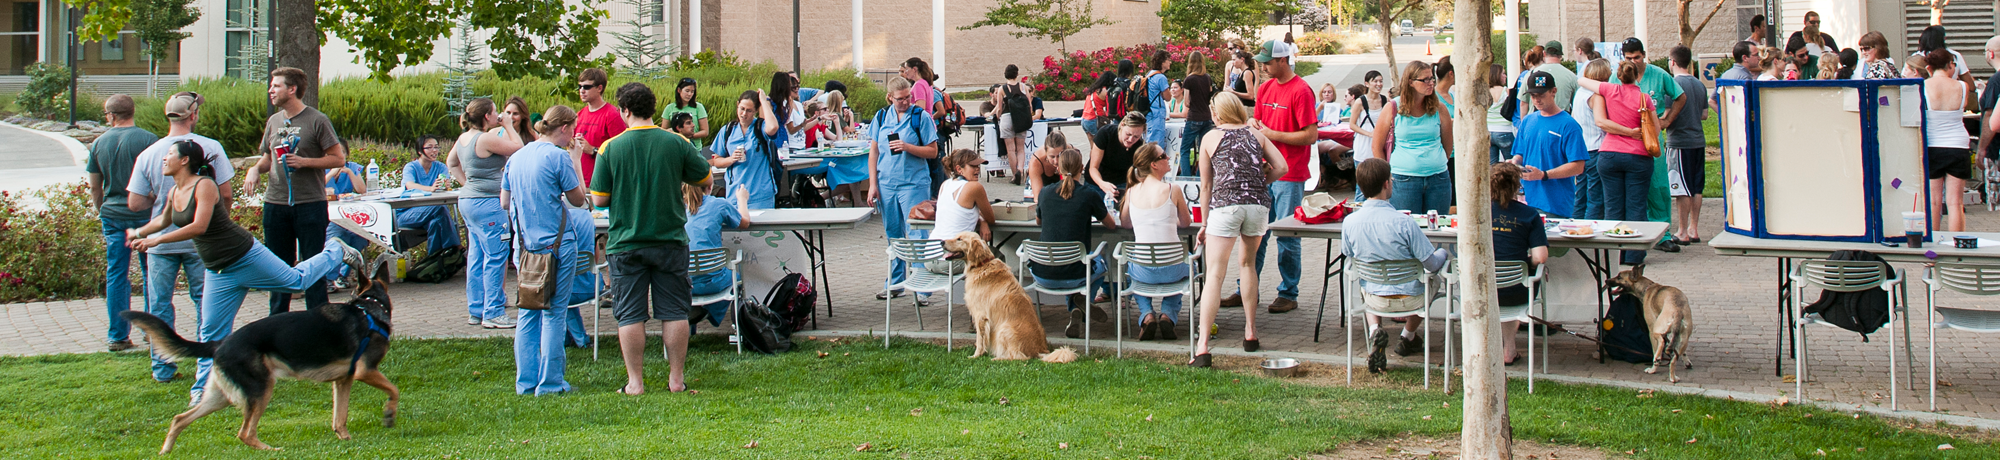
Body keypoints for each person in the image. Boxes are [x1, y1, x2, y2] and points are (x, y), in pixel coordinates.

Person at [127, 140, 363, 406]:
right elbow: (164, 220)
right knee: (211, 332)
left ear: (184, 161)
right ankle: (201, 391)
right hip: (219, 269)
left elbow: (199, 226)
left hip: (244, 255)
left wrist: (157, 241)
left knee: (295, 280)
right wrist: (140, 233)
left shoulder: (204, 185)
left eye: (170, 154)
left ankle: (334, 249)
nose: (164, 158)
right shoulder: (174, 191)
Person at [590, 83, 713, 395]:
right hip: (670, 239)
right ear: (654, 109)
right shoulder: (676, 143)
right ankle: (676, 380)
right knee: (674, 311)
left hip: (626, 242)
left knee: (630, 313)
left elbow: (599, 199)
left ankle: (636, 383)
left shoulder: (610, 148)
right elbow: (705, 178)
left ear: (625, 110)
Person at [126, 92, 233, 383]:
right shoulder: (210, 148)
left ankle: (162, 369)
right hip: (203, 243)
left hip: (161, 243)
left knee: (159, 304)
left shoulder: (151, 154)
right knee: (206, 303)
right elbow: (224, 194)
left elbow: (135, 204)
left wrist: (158, 197)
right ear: (194, 116)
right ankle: (210, 366)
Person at [1191, 92, 1288, 366]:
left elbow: (1207, 186)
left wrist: (1204, 222)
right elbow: (1282, 165)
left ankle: (1202, 347)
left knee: (1215, 275)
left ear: (1218, 113)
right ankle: (1250, 332)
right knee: (1248, 265)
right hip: (1257, 206)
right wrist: (1261, 181)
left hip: (1225, 205)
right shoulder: (1256, 134)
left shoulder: (1210, 137)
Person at [1224, 39, 1318, 315]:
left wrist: (1272, 135)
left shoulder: (1301, 91)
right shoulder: (1264, 88)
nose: (1262, 66)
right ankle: (1246, 289)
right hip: (1264, 173)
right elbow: (1259, 123)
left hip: (1290, 174)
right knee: (1255, 234)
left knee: (1288, 235)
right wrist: (1252, 123)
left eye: (1267, 62)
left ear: (1283, 60)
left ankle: (1289, 292)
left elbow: (1311, 135)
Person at [242, 67, 345, 316]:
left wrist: (305, 162)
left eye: (275, 85)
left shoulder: (317, 120)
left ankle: (319, 324)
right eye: (271, 86)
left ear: (292, 89)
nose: (271, 90)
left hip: (310, 204)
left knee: (314, 266)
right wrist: (255, 169)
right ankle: (278, 324)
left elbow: (337, 158)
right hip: (276, 205)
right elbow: (267, 159)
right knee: (277, 268)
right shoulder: (274, 121)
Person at [502, 105, 589, 396]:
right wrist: (576, 160)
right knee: (554, 313)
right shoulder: (558, 156)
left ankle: (525, 382)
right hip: (557, 246)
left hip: (524, 248)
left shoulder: (516, 157)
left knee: (527, 314)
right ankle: (550, 382)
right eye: (572, 130)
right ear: (563, 128)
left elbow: (505, 202)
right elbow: (578, 200)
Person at [1343, 158, 1452, 374]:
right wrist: (1443, 252)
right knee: (1434, 280)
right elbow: (1430, 263)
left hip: (1375, 297)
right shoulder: (1405, 223)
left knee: (1364, 280)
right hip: (1411, 299)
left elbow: (1348, 255)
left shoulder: (1350, 222)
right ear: (1386, 184)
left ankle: (1375, 329)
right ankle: (1407, 335)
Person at [85, 94, 158, 353]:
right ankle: (152, 331)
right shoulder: (149, 140)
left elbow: (95, 186)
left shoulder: (98, 143)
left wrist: (101, 209)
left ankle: (117, 335)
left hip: (113, 214)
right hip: (144, 216)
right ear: (133, 111)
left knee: (117, 273)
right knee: (152, 272)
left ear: (110, 115)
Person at [448, 98, 526, 329]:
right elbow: (519, 150)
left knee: (476, 256)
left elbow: (451, 162)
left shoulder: (464, 138)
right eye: (495, 112)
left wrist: (467, 183)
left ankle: (476, 309)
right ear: (486, 117)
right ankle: (493, 311)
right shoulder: (486, 138)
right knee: (495, 256)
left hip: (469, 200)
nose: (498, 115)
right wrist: (509, 126)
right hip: (489, 204)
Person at [1577, 59, 1660, 265]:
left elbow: (1581, 81)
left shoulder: (1609, 90)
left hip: (1609, 154)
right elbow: (1655, 129)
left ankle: (1614, 254)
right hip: (1639, 156)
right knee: (1636, 207)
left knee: (1613, 207)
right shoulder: (1644, 99)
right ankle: (1634, 255)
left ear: (1618, 75)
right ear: (1636, 76)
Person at [869, 77, 941, 301]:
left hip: (913, 182)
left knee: (917, 233)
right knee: (894, 233)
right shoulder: (881, 117)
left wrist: (908, 147)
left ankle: (922, 286)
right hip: (887, 182)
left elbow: (933, 151)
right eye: (900, 99)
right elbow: (874, 152)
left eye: (908, 97)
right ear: (890, 97)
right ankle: (895, 282)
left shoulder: (921, 117)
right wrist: (873, 185)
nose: (906, 102)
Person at [1031, 147, 1115, 338]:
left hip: (1042, 273)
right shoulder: (1088, 195)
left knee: (1078, 263)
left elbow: (1039, 221)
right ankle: (1080, 301)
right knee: (1100, 262)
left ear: (1058, 169)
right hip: (1075, 274)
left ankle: (1077, 307)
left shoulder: (1045, 193)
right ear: (1082, 169)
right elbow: (1110, 225)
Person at [1614, 38, 1686, 255]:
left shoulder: (1658, 74)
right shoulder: (1617, 76)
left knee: (1659, 187)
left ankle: (1662, 234)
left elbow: (1680, 96)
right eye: (1629, 58)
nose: (1633, 61)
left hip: (1651, 140)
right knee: (1631, 190)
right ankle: (1632, 232)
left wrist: (1666, 121)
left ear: (1643, 54)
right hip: (1626, 139)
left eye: (1637, 57)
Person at [1120, 143, 1194, 343]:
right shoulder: (1172, 190)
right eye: (1163, 156)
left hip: (1144, 269)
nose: (1168, 158)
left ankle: (1147, 315)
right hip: (1172, 268)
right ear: (1153, 164)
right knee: (1188, 265)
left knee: (1132, 271)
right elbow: (1186, 223)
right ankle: (1168, 315)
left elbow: (1125, 223)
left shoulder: (1132, 191)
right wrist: (1170, 220)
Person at [1372, 60, 1455, 215]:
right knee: (1407, 228)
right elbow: (1377, 145)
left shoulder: (1439, 108)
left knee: (1437, 228)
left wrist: (1437, 160)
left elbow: (1448, 145)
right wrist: (1386, 174)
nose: (1430, 83)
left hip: (1438, 178)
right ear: (1410, 82)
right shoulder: (1392, 107)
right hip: (1403, 180)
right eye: (1425, 80)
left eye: (1432, 79)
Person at [1487, 162, 1548, 366]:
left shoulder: (1478, 211)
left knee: (1499, 282)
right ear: (1517, 186)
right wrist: (1524, 264)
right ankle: (1509, 347)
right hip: (1516, 290)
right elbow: (1540, 257)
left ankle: (1497, 346)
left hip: (1481, 288)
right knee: (1525, 277)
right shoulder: (1529, 214)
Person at [1511, 71, 1588, 218]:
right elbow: (1520, 152)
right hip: (1527, 201)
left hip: (1555, 204)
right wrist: (1514, 163)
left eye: (1541, 95)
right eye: (1533, 96)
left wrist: (1544, 175)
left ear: (1553, 92)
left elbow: (1578, 166)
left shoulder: (1569, 125)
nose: (1537, 100)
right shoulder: (1528, 121)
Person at [681, 180, 748, 329]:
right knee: (735, 277)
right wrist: (742, 200)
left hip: (683, 283)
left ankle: (694, 316)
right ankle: (709, 311)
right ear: (711, 187)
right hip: (714, 282)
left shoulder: (675, 207)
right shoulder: (719, 204)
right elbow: (744, 223)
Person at [1665, 46, 1711, 245]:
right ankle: (1694, 228)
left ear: (1672, 62)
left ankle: (1682, 231)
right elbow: (1704, 114)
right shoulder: (1699, 84)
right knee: (1696, 187)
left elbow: (1667, 115)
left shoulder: (1672, 85)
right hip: (1698, 141)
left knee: (1681, 188)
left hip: (1679, 142)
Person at [1925, 50, 1973, 233]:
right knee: (1955, 202)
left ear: (1929, 67)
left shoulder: (1922, 86)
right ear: (1950, 65)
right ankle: (1957, 250)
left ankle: (1932, 252)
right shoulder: (1962, 86)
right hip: (1958, 144)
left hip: (1932, 145)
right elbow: (1965, 106)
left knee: (1934, 201)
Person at [710, 89, 784, 209]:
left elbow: (773, 127)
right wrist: (731, 159)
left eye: (749, 111)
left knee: (762, 227)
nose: (744, 114)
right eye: (742, 109)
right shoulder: (728, 130)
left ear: (755, 110)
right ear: (737, 105)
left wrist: (763, 101)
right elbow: (717, 161)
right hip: (735, 195)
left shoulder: (760, 127)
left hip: (760, 195)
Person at [396, 135, 461, 252]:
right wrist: (430, 188)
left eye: (436, 147)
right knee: (439, 207)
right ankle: (456, 246)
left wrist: (445, 186)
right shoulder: (411, 167)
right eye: (429, 147)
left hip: (432, 213)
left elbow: (444, 184)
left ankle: (435, 261)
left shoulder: (440, 167)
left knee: (435, 223)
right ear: (420, 151)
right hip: (407, 214)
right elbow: (409, 185)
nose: (434, 150)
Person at [573, 68, 626, 188]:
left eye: (586, 87)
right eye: (579, 86)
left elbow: (622, 152)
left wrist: (593, 150)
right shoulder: (579, 115)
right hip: (580, 181)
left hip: (602, 183)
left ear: (599, 88)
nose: (581, 91)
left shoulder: (612, 115)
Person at [1572, 59, 1611, 219]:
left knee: (1581, 193)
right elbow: (1601, 122)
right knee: (1595, 196)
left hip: (1582, 148)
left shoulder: (1580, 93)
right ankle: (1590, 229)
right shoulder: (1596, 97)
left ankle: (1575, 223)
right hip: (1596, 148)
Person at [1090, 112, 1148, 201]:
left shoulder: (1140, 144)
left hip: (1121, 182)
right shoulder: (1105, 133)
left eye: (1136, 136)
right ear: (1121, 125)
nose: (1131, 139)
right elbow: (1093, 168)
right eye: (1128, 134)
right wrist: (1102, 184)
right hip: (1097, 181)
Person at [1180, 51, 1216, 176]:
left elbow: (1186, 102)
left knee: (1184, 149)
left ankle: (1186, 177)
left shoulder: (1189, 79)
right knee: (1203, 149)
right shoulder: (1207, 77)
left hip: (1194, 116)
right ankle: (1200, 176)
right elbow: (1210, 95)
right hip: (1206, 116)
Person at [998, 64, 1036, 183]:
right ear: (1017, 74)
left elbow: (999, 108)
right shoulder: (1023, 87)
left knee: (1010, 149)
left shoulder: (1002, 89)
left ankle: (1015, 175)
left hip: (1007, 118)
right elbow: (1029, 105)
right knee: (1020, 148)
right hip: (1021, 119)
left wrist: (998, 117)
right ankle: (1020, 169)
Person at [1349, 71, 1388, 169]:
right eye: (1375, 81)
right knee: (1362, 181)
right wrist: (1369, 134)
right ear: (1367, 84)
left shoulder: (1385, 101)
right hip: (1363, 146)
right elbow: (1352, 125)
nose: (1379, 84)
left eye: (1381, 81)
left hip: (1380, 147)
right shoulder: (1360, 102)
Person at [662, 77, 710, 150]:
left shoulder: (698, 107)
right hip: (675, 148)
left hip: (694, 148)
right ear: (679, 90)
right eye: (687, 91)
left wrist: (689, 135)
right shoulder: (669, 108)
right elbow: (663, 130)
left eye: (692, 91)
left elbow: (705, 131)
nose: (689, 94)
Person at [1535, 40, 1580, 112]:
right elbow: (1577, 103)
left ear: (1544, 53)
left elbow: (1523, 103)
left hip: (1538, 117)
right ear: (1561, 56)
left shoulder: (1533, 73)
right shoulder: (1571, 76)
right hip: (1562, 116)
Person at [1024, 132, 1070, 201]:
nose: (1056, 161)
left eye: (1059, 155)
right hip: (1041, 183)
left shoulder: (1072, 154)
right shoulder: (1036, 161)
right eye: (1052, 157)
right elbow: (1037, 197)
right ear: (1046, 152)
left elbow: (1073, 187)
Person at [1485, 64, 1517, 164]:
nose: (1505, 76)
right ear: (1497, 75)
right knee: (1512, 164)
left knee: (1491, 167)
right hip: (1505, 130)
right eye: (1503, 73)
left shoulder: (1485, 92)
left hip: (1489, 130)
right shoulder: (1506, 91)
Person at [1143, 51, 1173, 145]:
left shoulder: (1149, 74)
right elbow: (1168, 97)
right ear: (1162, 62)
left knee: (1148, 140)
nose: (1170, 62)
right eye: (1168, 60)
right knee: (1156, 144)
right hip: (1157, 114)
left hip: (1148, 112)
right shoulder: (1161, 78)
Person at [1980, 36, 2000, 164]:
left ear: (1990, 53)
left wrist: (1982, 148)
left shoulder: (1995, 80)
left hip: (1996, 149)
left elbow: (1992, 121)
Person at [1081, 73, 1115, 137]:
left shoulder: (1094, 90)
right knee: (1099, 144)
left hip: (1084, 120)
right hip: (1094, 120)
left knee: (1092, 145)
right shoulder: (1104, 91)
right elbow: (1110, 107)